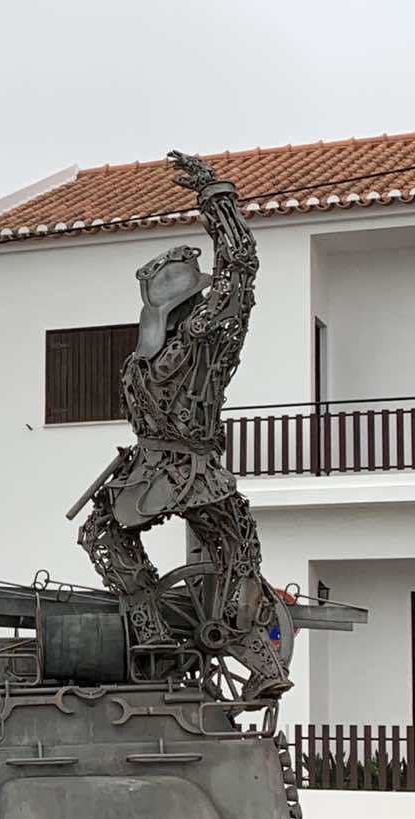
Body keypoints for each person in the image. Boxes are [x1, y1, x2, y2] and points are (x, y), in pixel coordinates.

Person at [77, 151, 288, 700]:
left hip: (182, 470)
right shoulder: (151, 355)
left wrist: (216, 198)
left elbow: (241, 267)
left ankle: (242, 652)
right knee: (220, 549)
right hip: (158, 469)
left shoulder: (207, 339)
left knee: (230, 555)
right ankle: (167, 633)